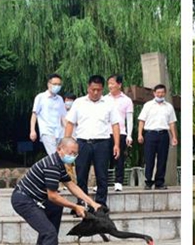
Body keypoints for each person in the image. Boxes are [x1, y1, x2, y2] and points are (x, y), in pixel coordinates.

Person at [11, 137, 101, 245]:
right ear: (60, 149)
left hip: (34, 198)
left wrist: (92, 203)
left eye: (75, 153)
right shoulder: (52, 165)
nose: (73, 156)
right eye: (70, 152)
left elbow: (71, 185)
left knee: (56, 208)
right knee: (50, 233)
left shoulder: (60, 163)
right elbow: (53, 196)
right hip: (24, 200)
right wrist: (75, 206)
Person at [64, 75, 120, 208]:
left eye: (99, 90)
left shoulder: (109, 103)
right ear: (88, 87)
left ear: (102, 89)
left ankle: (100, 204)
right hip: (83, 143)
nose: (95, 93)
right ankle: (82, 203)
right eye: (93, 89)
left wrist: (117, 144)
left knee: (102, 175)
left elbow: (115, 124)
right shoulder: (78, 102)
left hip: (102, 143)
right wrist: (66, 144)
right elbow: (70, 123)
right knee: (81, 174)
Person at [137, 84, 178, 190]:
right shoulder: (148, 105)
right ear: (154, 93)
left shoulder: (169, 107)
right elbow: (142, 120)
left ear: (165, 93)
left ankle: (159, 182)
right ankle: (148, 182)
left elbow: (172, 123)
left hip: (164, 134)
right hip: (150, 134)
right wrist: (140, 134)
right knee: (149, 159)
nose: (160, 94)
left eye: (162, 92)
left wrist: (174, 137)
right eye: (158, 92)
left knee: (162, 159)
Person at [106, 74, 134, 192]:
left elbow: (129, 118)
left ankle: (118, 182)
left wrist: (129, 135)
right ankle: (102, 183)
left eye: (112, 83)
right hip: (106, 133)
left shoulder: (127, 100)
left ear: (119, 84)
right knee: (103, 159)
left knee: (119, 158)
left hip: (121, 132)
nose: (110, 86)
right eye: (109, 83)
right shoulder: (104, 99)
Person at [30, 73, 67, 155]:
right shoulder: (40, 97)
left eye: (59, 84)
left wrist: (68, 132)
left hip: (59, 132)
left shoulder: (60, 99)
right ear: (48, 84)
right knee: (54, 154)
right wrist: (32, 130)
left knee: (62, 155)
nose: (57, 86)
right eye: (54, 84)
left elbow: (63, 117)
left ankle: (62, 168)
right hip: (47, 131)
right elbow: (34, 114)